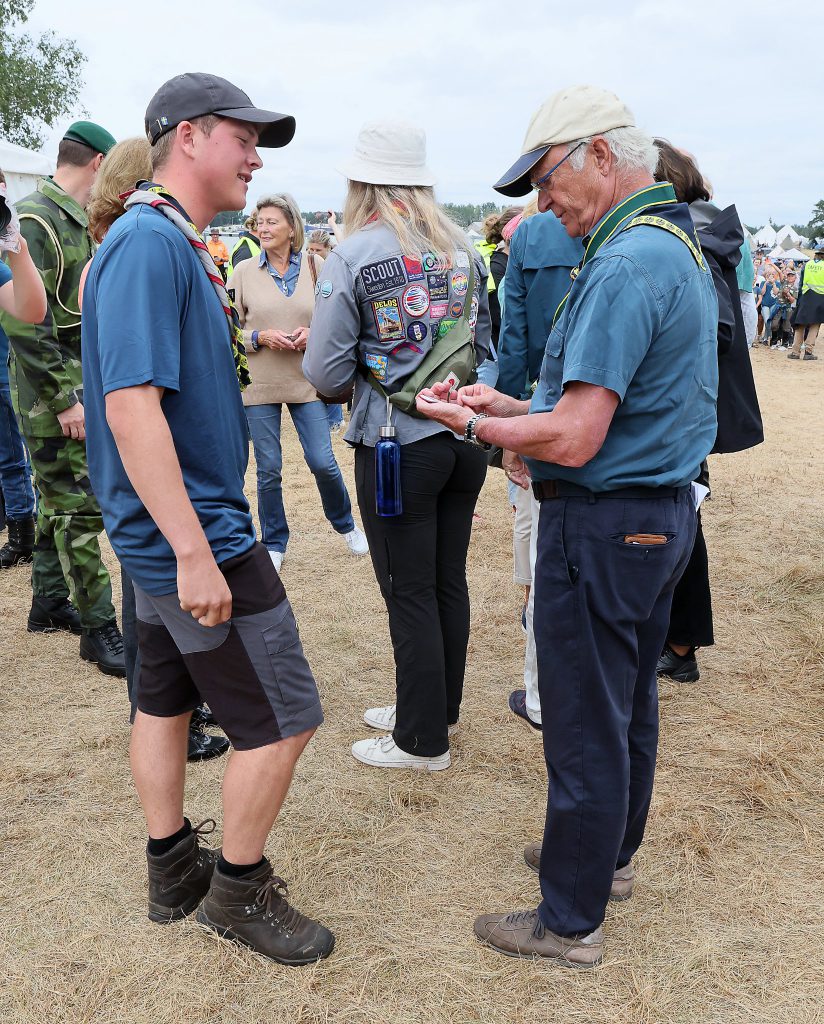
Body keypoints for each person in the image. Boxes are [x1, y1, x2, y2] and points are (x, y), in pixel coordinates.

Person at [416, 86, 718, 965]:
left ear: (601, 155)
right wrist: (512, 407)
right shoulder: (664, 244)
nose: (542, 204)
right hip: (652, 516)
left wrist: (475, 426)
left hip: (605, 524)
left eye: (547, 180)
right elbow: (610, 409)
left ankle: (569, 919)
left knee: (586, 718)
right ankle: (604, 859)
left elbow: (579, 436)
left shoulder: (624, 263)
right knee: (626, 704)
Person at [81, 72, 334, 964]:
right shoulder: (151, 243)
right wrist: (193, 552)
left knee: (163, 702)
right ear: (187, 137)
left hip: (166, 530)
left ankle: (172, 870)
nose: (255, 158)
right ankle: (237, 891)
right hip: (194, 535)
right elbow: (131, 408)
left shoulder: (164, 240)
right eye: (243, 137)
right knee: (286, 717)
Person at [304, 120, 491, 771]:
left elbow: (324, 372)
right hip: (463, 434)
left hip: (397, 441)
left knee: (408, 589)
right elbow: (483, 345)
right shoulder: (464, 249)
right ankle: (434, 706)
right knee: (445, 581)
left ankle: (420, 739)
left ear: (364, 184)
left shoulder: (354, 254)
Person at [82, 135, 230, 763]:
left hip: (164, 485)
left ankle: (175, 709)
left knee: (159, 635)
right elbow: (132, 400)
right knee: (150, 609)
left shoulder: (152, 248)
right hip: (155, 489)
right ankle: (166, 710)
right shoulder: (137, 250)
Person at [0, 120, 126, 677]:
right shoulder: (37, 219)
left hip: (71, 385)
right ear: (98, 163)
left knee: (59, 502)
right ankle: (100, 628)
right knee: (80, 507)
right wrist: (64, 399)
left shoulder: (69, 218)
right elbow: (26, 325)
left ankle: (49, 601)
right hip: (51, 395)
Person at [651, 141, 763, 684]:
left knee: (682, 527)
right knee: (682, 524)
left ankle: (680, 645)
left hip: (684, 413)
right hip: (689, 410)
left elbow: (714, 328)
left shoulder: (691, 236)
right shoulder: (699, 230)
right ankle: (678, 640)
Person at [229, 192, 367, 572]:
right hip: (260, 385)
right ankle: (274, 541)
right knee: (269, 468)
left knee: (323, 461)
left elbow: (336, 317)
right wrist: (259, 337)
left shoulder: (316, 265)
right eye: (259, 222)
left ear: (292, 228)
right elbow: (227, 330)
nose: (263, 228)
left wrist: (314, 333)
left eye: (271, 222)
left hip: (307, 381)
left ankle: (346, 524)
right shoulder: (242, 272)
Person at [494, 203, 584, 729]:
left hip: (545, 408)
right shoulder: (646, 234)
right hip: (608, 417)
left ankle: (540, 696)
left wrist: (513, 432)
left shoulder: (531, 235)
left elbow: (514, 338)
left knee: (542, 555)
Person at [0, 168, 47, 568]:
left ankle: (22, 533)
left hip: (3, 379)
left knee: (13, 458)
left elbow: (32, 309)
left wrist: (16, 245)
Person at [789, 244, 824, 360]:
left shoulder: (807, 265)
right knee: (815, 324)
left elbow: (801, 283)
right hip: (820, 298)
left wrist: (799, 300)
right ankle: (808, 352)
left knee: (800, 324)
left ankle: (795, 352)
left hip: (805, 296)